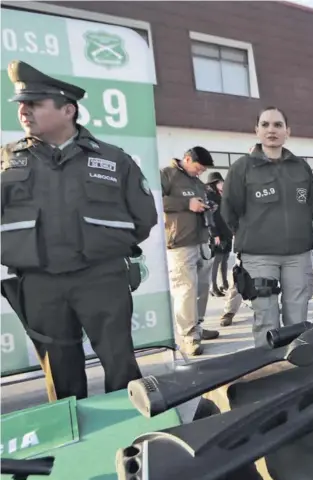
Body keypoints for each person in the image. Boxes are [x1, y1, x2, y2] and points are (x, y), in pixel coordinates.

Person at [0, 60, 157, 401]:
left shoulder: (115, 160)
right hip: (39, 283)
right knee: (61, 374)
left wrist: (102, 249)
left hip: (101, 278)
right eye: (22, 105)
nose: (24, 111)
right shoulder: (6, 161)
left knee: (121, 365)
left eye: (35, 104)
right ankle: (76, 446)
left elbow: (143, 218)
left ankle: (131, 435)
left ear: (68, 109)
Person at [221, 108, 313, 347]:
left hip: (298, 255)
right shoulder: (241, 168)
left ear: (288, 131)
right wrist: (252, 234)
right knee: (265, 318)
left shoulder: (301, 168)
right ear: (257, 130)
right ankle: (267, 370)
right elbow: (229, 210)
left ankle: (297, 367)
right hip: (259, 255)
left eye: (277, 125)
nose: (271, 130)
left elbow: (309, 206)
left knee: (297, 318)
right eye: (265, 125)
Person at [161, 146, 220, 356]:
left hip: (201, 240)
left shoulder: (197, 182)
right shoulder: (167, 175)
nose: (200, 172)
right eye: (198, 167)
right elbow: (153, 200)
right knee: (185, 290)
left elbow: (198, 204)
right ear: (187, 159)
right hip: (180, 244)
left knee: (202, 287)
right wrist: (187, 204)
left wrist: (206, 207)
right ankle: (188, 336)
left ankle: (198, 327)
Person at [205, 171, 232, 296]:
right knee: (217, 260)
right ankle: (213, 286)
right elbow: (209, 218)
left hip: (227, 231)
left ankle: (224, 283)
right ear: (214, 183)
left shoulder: (224, 195)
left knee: (225, 258)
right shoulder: (209, 197)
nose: (223, 184)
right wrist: (214, 234)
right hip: (216, 233)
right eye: (220, 182)